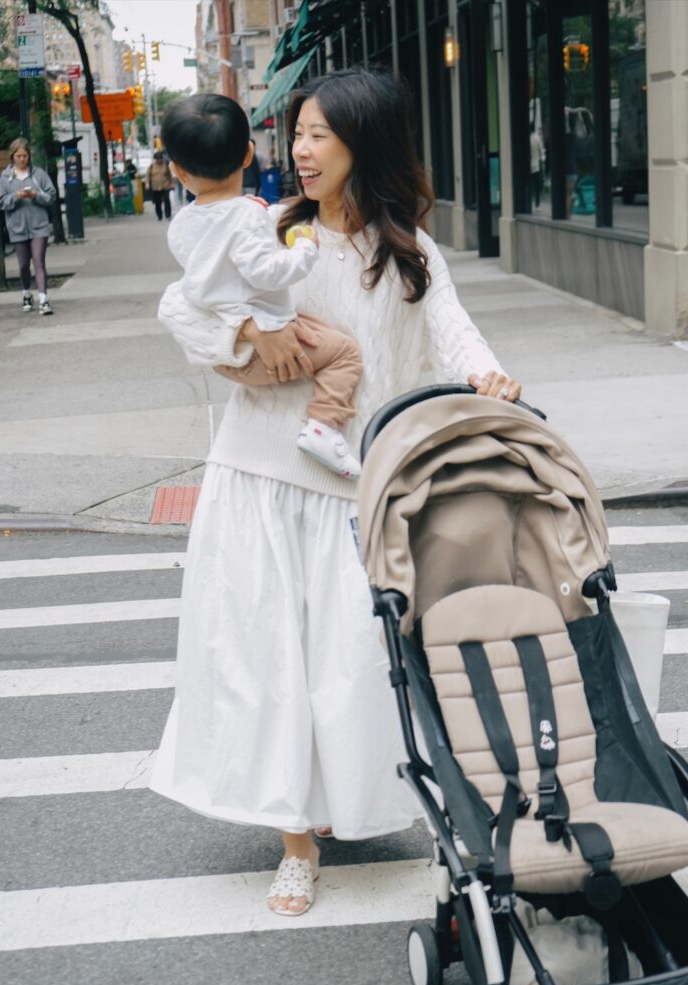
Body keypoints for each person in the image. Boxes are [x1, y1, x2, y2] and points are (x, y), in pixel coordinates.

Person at [150, 68, 522, 918]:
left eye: (320, 133)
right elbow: (182, 306)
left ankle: (359, 800)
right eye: (298, 134)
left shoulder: (409, 253)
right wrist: (243, 333)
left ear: (365, 142)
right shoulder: (272, 232)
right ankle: (294, 842)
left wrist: (486, 374)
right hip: (260, 475)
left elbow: (450, 327)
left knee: (352, 667)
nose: (302, 150)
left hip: (355, 482)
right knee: (266, 663)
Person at [160, 93, 362, 479]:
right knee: (345, 354)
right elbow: (266, 272)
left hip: (228, 354)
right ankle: (324, 426)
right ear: (248, 155)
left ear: (178, 171)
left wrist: (262, 217)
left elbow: (218, 257)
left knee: (314, 331)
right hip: (261, 348)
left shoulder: (183, 224)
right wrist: (303, 249)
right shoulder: (247, 217)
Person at [0, 137, 56, 315]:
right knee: (23, 265)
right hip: (17, 227)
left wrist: (36, 195)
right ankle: (26, 294)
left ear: (29, 156)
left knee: (38, 261)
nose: (22, 159)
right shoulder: (6, 178)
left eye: (25, 156)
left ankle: (44, 300)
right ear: (12, 156)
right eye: (18, 156)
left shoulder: (39, 175)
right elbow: (0, 202)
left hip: (39, 226)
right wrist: (17, 196)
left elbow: (51, 196)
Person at [145, 151, 173, 221]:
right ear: (155, 159)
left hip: (165, 186)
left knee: (167, 200)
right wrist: (147, 183)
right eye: (157, 159)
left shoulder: (165, 165)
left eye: (160, 159)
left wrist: (171, 183)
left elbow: (169, 176)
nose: (159, 160)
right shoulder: (152, 166)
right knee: (158, 202)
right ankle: (159, 215)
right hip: (155, 187)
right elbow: (148, 176)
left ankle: (168, 215)